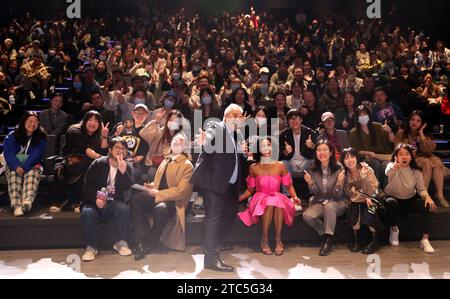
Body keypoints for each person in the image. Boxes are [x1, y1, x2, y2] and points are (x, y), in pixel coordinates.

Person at [190, 103, 248, 272]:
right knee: (214, 216)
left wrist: (242, 150)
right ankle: (210, 258)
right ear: (226, 116)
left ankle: (213, 243)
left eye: (240, 116)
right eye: (235, 115)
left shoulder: (235, 134)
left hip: (229, 184)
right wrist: (205, 141)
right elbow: (209, 138)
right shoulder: (216, 125)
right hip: (213, 181)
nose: (238, 119)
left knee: (229, 215)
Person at [132, 133, 194, 260]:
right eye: (175, 141)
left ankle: (150, 242)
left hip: (174, 202)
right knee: (136, 199)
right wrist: (152, 186)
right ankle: (140, 240)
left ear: (185, 146)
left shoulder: (187, 165)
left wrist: (158, 193)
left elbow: (181, 192)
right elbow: (161, 182)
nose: (177, 143)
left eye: (181, 142)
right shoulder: (166, 160)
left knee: (161, 208)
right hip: (160, 195)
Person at [238, 137, 301, 256]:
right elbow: (250, 189)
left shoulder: (280, 165)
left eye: (268, 145)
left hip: (276, 195)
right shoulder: (254, 167)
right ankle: (265, 239)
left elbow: (288, 185)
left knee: (275, 201)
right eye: (263, 146)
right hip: (259, 197)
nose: (266, 148)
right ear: (259, 149)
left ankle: (277, 239)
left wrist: (295, 197)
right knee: (271, 202)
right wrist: (239, 198)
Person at [80, 137, 133, 261]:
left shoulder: (127, 166)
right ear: (110, 150)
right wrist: (95, 199)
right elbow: (87, 185)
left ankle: (120, 243)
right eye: (117, 148)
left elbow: (128, 187)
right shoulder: (98, 163)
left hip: (114, 202)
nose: (121, 151)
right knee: (87, 212)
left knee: (124, 209)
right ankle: (91, 248)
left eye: (123, 149)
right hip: (95, 202)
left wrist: (123, 172)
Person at [51, 111, 109, 212]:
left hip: (88, 162)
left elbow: (103, 151)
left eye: (96, 121)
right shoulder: (74, 130)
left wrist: (104, 136)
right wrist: (102, 158)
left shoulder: (98, 134)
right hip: (69, 160)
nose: (92, 123)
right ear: (85, 120)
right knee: (59, 169)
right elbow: (86, 150)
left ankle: (80, 201)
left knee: (92, 168)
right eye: (90, 120)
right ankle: (58, 201)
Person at [384, 143, 437, 254]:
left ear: (411, 157)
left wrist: (428, 197)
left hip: (409, 200)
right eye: (401, 154)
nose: (404, 157)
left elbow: (421, 189)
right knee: (390, 202)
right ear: (396, 157)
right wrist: (394, 167)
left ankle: (425, 240)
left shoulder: (416, 171)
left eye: (407, 154)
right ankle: (394, 230)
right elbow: (387, 172)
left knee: (428, 205)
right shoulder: (391, 165)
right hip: (393, 199)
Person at [395, 110, 450, 207]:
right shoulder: (401, 133)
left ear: (422, 123)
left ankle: (440, 195)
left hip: (425, 155)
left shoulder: (424, 134)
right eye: (412, 119)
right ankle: (424, 196)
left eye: (418, 121)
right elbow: (396, 149)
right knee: (427, 163)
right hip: (411, 157)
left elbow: (430, 150)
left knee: (437, 162)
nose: (414, 122)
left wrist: (421, 133)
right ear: (408, 121)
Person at [302, 140, 347, 256]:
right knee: (307, 215)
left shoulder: (339, 168)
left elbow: (337, 195)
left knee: (329, 206)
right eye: (319, 150)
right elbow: (315, 192)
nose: (322, 153)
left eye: (325, 149)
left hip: (339, 201)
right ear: (316, 153)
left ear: (331, 152)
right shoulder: (312, 169)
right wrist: (311, 183)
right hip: (321, 201)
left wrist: (338, 183)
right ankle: (328, 234)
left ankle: (328, 240)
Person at [2, 111, 47, 216]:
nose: (32, 124)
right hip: (14, 164)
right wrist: (16, 166)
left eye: (35, 121)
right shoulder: (12, 136)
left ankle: (27, 202)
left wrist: (25, 167)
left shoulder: (41, 137)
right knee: (13, 174)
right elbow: (8, 153)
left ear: (38, 124)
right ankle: (16, 206)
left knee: (33, 173)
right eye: (30, 121)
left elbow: (36, 154)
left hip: (33, 164)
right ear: (23, 122)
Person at [341, 148, 382, 254]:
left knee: (370, 207)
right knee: (355, 206)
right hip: (357, 199)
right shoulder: (344, 174)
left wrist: (363, 178)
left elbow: (373, 190)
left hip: (373, 197)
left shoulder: (367, 169)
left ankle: (375, 241)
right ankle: (356, 240)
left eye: (352, 157)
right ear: (343, 161)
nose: (350, 160)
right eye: (346, 158)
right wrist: (364, 198)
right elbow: (350, 193)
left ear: (357, 158)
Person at [349, 105, 394, 188]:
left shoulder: (377, 126)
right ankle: (376, 190)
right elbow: (355, 151)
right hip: (368, 158)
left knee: (387, 165)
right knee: (374, 163)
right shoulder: (353, 132)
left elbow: (391, 140)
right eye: (360, 115)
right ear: (356, 117)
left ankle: (386, 190)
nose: (363, 116)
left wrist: (390, 131)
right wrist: (368, 152)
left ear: (369, 115)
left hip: (383, 156)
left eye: (364, 114)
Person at [140, 109, 185, 182]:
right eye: (170, 120)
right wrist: (156, 121)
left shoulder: (181, 137)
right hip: (154, 164)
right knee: (151, 174)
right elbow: (143, 133)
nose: (172, 122)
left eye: (176, 121)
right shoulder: (159, 131)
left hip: (170, 167)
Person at [111, 104, 150, 183]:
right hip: (117, 158)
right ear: (132, 113)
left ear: (147, 115)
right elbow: (110, 142)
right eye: (137, 112)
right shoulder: (121, 126)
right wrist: (117, 134)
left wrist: (142, 156)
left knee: (128, 175)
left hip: (134, 163)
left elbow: (149, 149)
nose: (140, 115)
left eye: (143, 113)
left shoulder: (148, 132)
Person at [279, 109, 316, 176]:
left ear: (301, 120)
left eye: (297, 118)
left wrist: (312, 146)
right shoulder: (283, 134)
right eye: (291, 119)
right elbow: (278, 156)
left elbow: (318, 150)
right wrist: (286, 152)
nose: (294, 121)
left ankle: (312, 186)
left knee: (314, 162)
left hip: (306, 161)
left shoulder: (310, 132)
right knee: (283, 164)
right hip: (290, 162)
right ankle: (288, 186)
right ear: (288, 121)